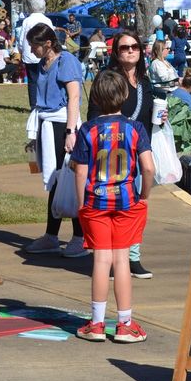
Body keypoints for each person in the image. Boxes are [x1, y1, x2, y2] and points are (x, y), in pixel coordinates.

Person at [71, 70, 155, 344]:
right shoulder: (135, 129)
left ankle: (96, 323)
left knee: (100, 260)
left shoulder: (88, 129)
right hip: (126, 201)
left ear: (95, 96)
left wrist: (82, 203)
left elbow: (80, 172)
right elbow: (148, 167)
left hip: (96, 201)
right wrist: (144, 195)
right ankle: (125, 324)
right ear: (125, 96)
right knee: (121, 260)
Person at [93, 30, 158, 280]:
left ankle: (132, 257)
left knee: (135, 209)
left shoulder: (144, 82)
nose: (130, 50)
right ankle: (110, 259)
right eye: (124, 47)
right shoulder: (108, 78)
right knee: (112, 206)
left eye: (135, 47)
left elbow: (148, 117)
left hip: (139, 150)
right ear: (116, 52)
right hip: (113, 152)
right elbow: (94, 113)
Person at [22, 23, 88, 258]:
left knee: (70, 180)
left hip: (63, 124)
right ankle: (51, 236)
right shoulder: (42, 64)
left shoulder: (66, 61)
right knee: (55, 180)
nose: (32, 50)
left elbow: (74, 97)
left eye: (35, 45)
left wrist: (71, 132)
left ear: (48, 44)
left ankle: (80, 237)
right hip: (47, 124)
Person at [18, 0, 53, 109]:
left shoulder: (27, 21)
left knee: (32, 81)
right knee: (46, 80)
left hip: (30, 55)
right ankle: (44, 102)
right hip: (44, 54)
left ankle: (33, 105)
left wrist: (21, 51)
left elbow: (21, 39)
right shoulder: (47, 21)